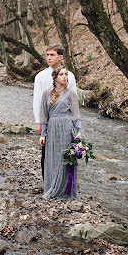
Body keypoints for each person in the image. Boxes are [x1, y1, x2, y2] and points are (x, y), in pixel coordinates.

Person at [33, 44, 77, 179]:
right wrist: (38, 122)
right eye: (47, 55)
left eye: (52, 55)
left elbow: (73, 102)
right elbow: (37, 100)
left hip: (65, 121)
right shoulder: (40, 76)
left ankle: (65, 182)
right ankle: (47, 181)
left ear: (60, 57)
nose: (49, 58)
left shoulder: (69, 76)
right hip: (49, 120)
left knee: (65, 150)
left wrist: (75, 125)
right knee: (47, 151)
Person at [39, 66, 81, 200]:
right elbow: (44, 115)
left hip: (66, 127)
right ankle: (52, 186)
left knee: (66, 157)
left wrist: (77, 132)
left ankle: (66, 190)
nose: (65, 77)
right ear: (55, 77)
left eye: (66, 74)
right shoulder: (46, 93)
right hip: (52, 128)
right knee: (53, 157)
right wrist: (43, 134)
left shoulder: (71, 94)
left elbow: (75, 115)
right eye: (62, 74)